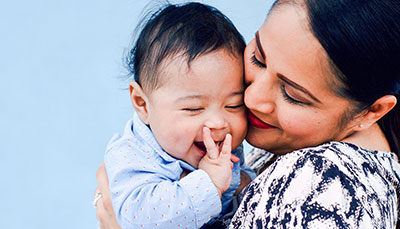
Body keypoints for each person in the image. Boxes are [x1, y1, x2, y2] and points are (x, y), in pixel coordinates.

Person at [95, 0, 400, 228]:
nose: (251, 98)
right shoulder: (288, 148)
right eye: (258, 57)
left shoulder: (324, 186)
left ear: (373, 110)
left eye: (292, 94)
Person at [96, 2, 256, 228]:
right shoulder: (133, 155)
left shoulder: (216, 144)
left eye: (233, 105)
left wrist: (246, 183)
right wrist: (208, 183)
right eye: (194, 109)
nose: (219, 122)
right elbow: (139, 220)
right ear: (142, 104)